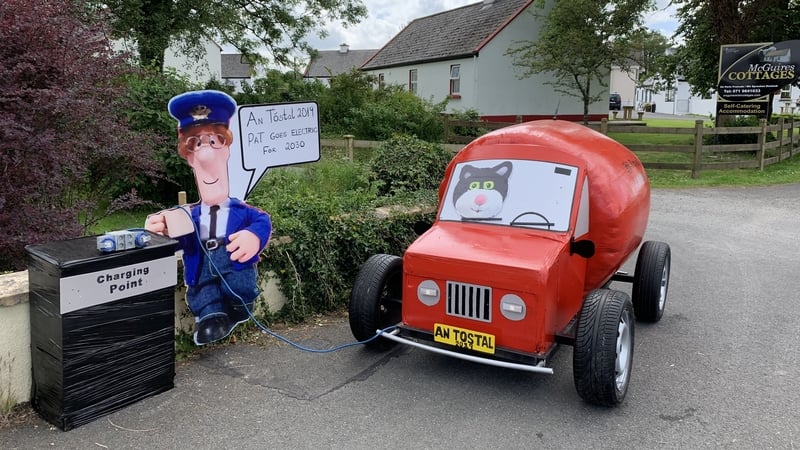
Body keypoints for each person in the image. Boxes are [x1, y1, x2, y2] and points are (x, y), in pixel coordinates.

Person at [145, 90, 272, 346]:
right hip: (202, 266)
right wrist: (159, 231)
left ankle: (238, 309)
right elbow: (181, 240)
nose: (205, 153)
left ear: (226, 149)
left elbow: (261, 220)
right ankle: (211, 318)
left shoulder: (240, 209)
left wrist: (253, 236)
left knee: (240, 290)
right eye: (196, 144)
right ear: (189, 157)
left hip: (233, 263)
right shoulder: (188, 215)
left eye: (213, 142)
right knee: (205, 294)